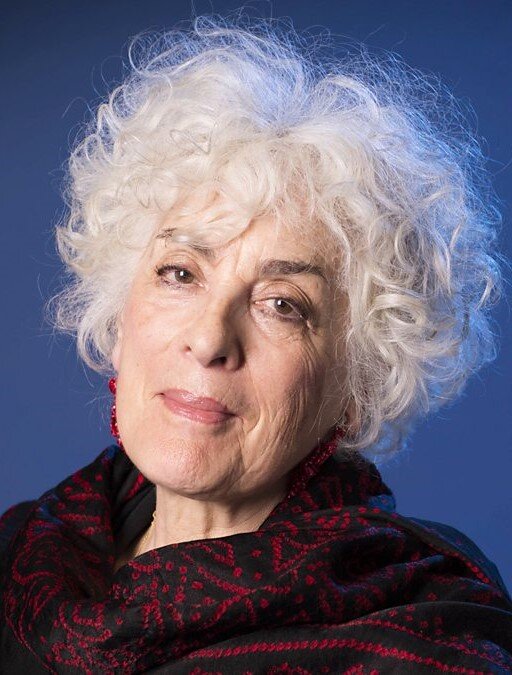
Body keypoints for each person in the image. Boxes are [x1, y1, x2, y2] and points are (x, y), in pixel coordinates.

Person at [1, 15, 511, 673]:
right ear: (119, 310)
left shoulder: (428, 647)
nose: (210, 338)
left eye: (282, 305)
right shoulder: (22, 554)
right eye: (180, 273)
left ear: (356, 385)